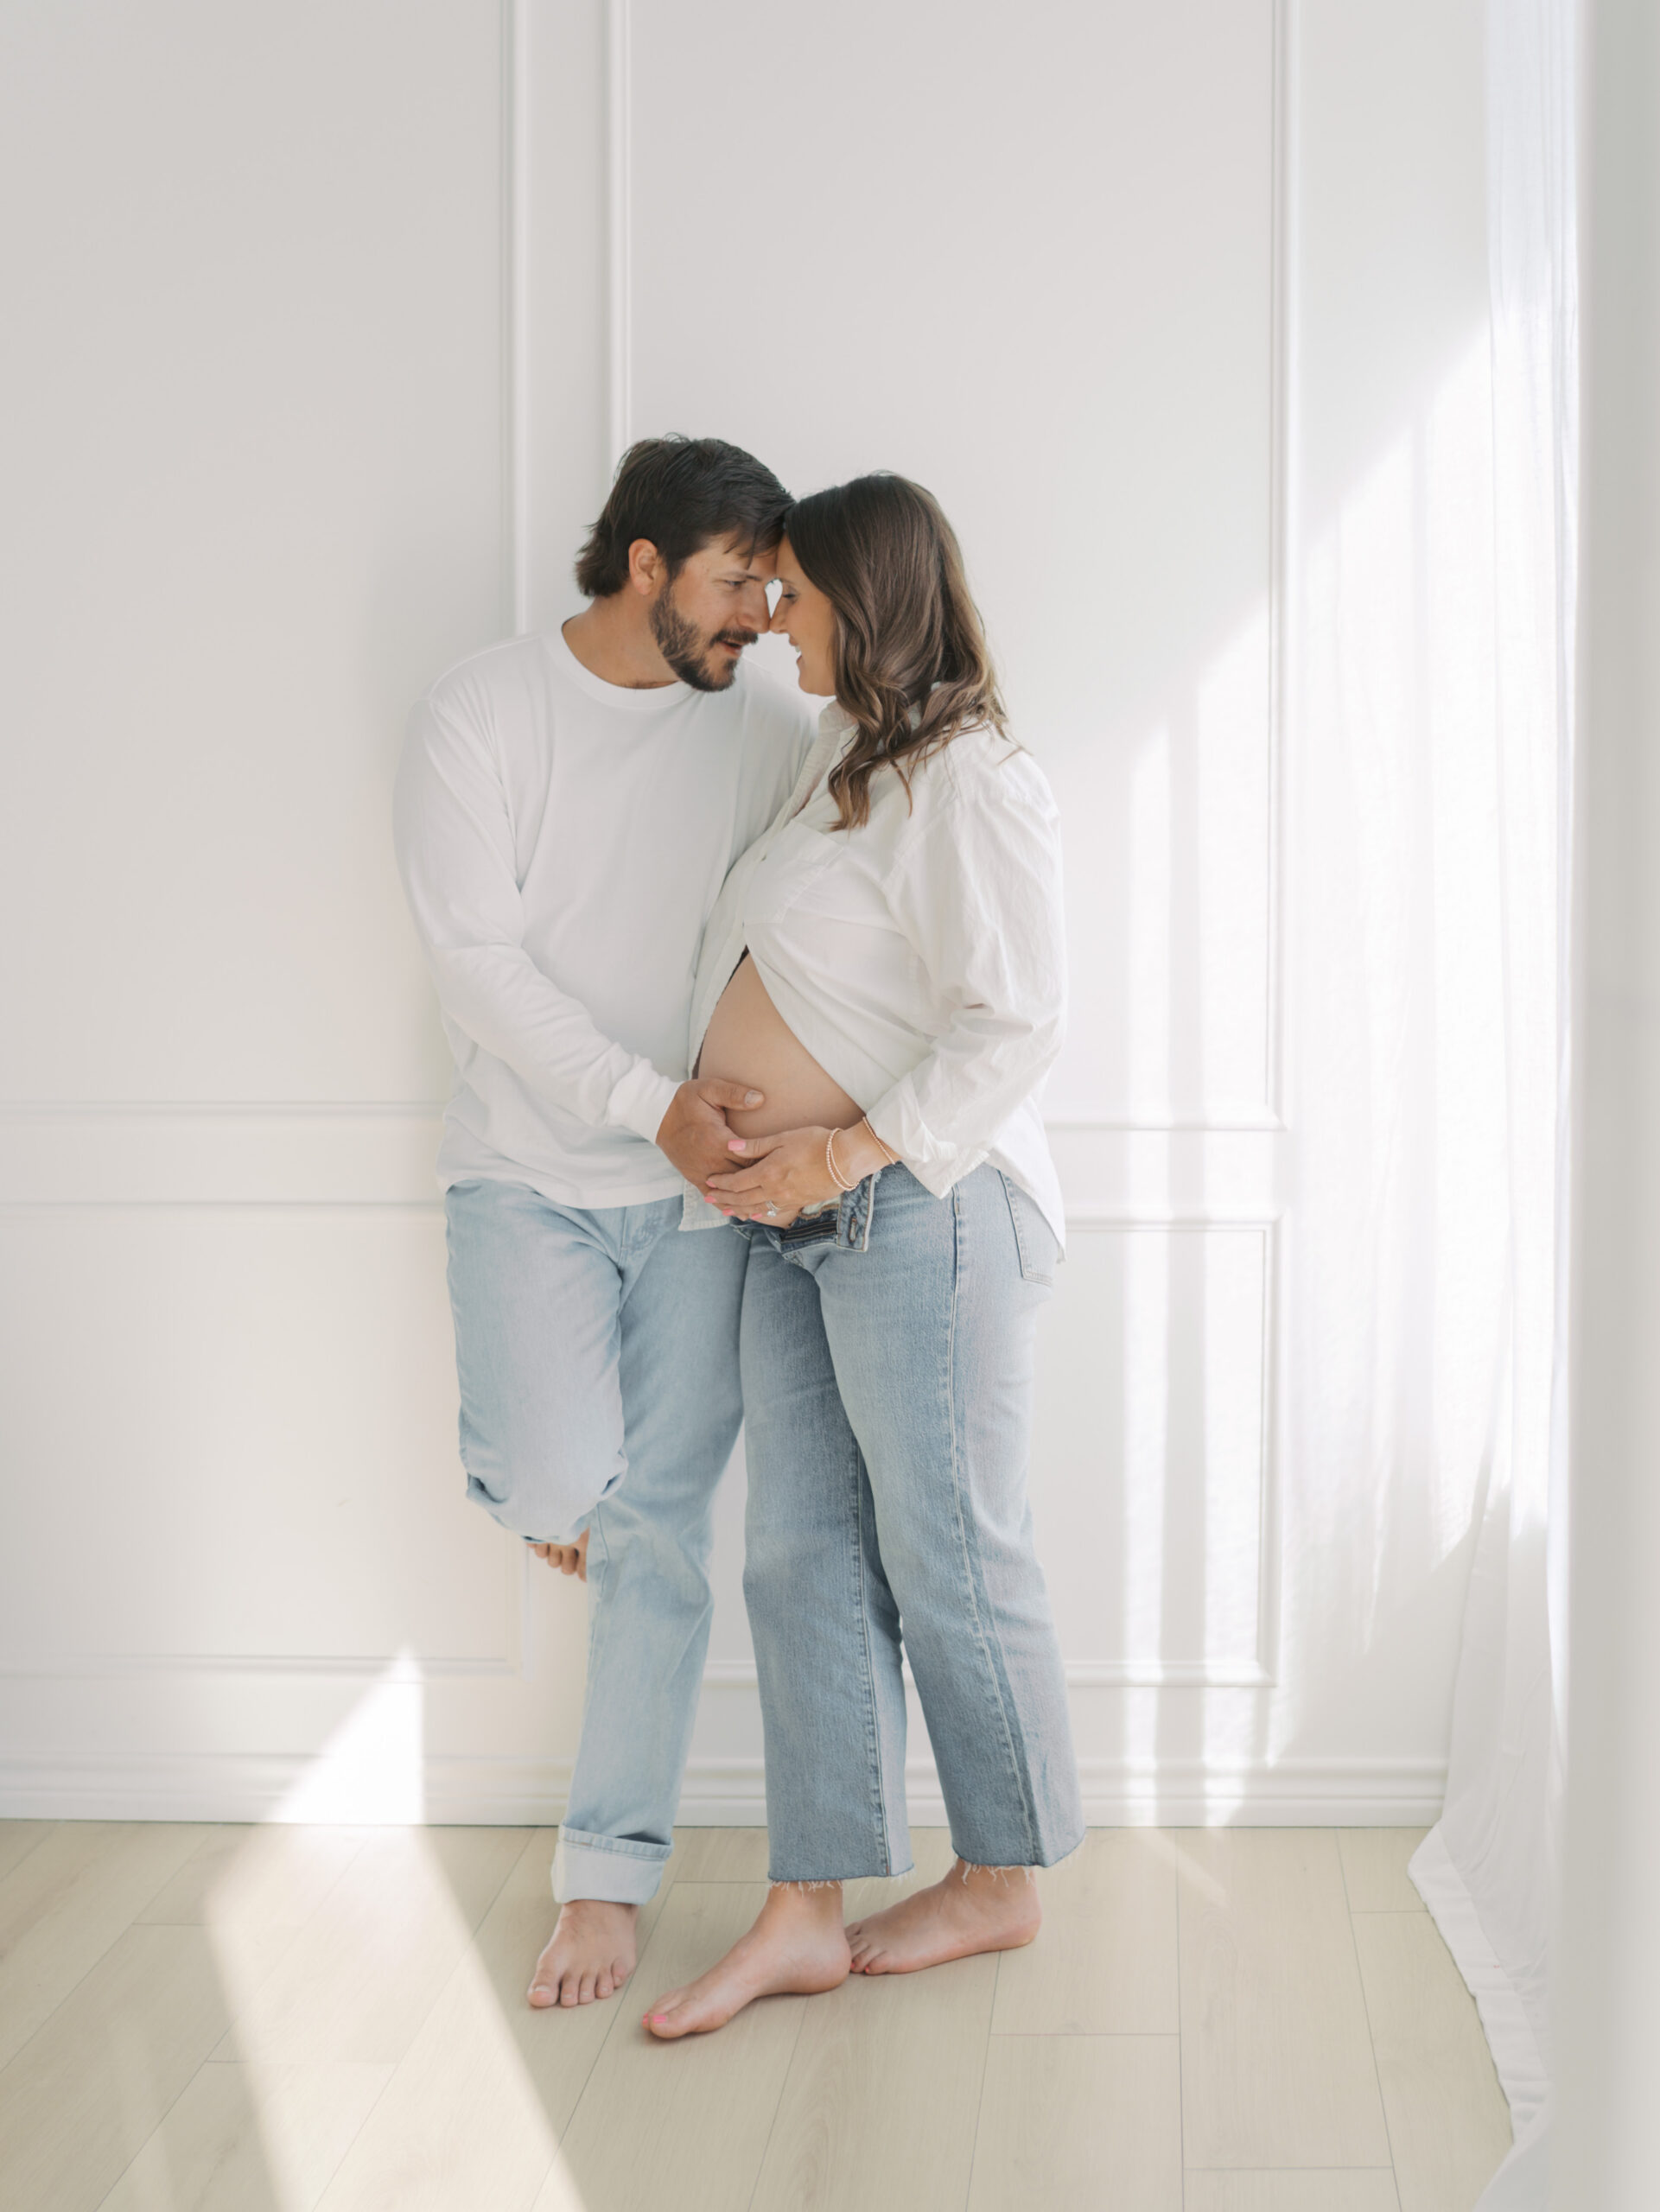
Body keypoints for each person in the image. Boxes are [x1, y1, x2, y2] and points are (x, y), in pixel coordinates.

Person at [641, 473, 1084, 2038]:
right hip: (784, 1218)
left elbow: (1014, 1017)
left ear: (867, 596)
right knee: (797, 1556)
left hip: (916, 1213)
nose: (775, 624)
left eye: (798, 597)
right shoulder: (840, 759)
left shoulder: (970, 779)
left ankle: (1002, 1873)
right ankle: (804, 1907)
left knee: (949, 1549)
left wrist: (846, 1144)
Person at [392, 435, 817, 2008]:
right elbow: (475, 966)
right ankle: (536, 1479)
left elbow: (843, 875)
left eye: (771, 591)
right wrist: (649, 1102)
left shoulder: (759, 730)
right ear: (643, 565)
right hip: (530, 1175)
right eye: (731, 586)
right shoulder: (483, 713)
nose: (757, 620)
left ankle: (605, 1877)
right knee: (564, 1474)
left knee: (657, 1541)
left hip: (703, 1205)